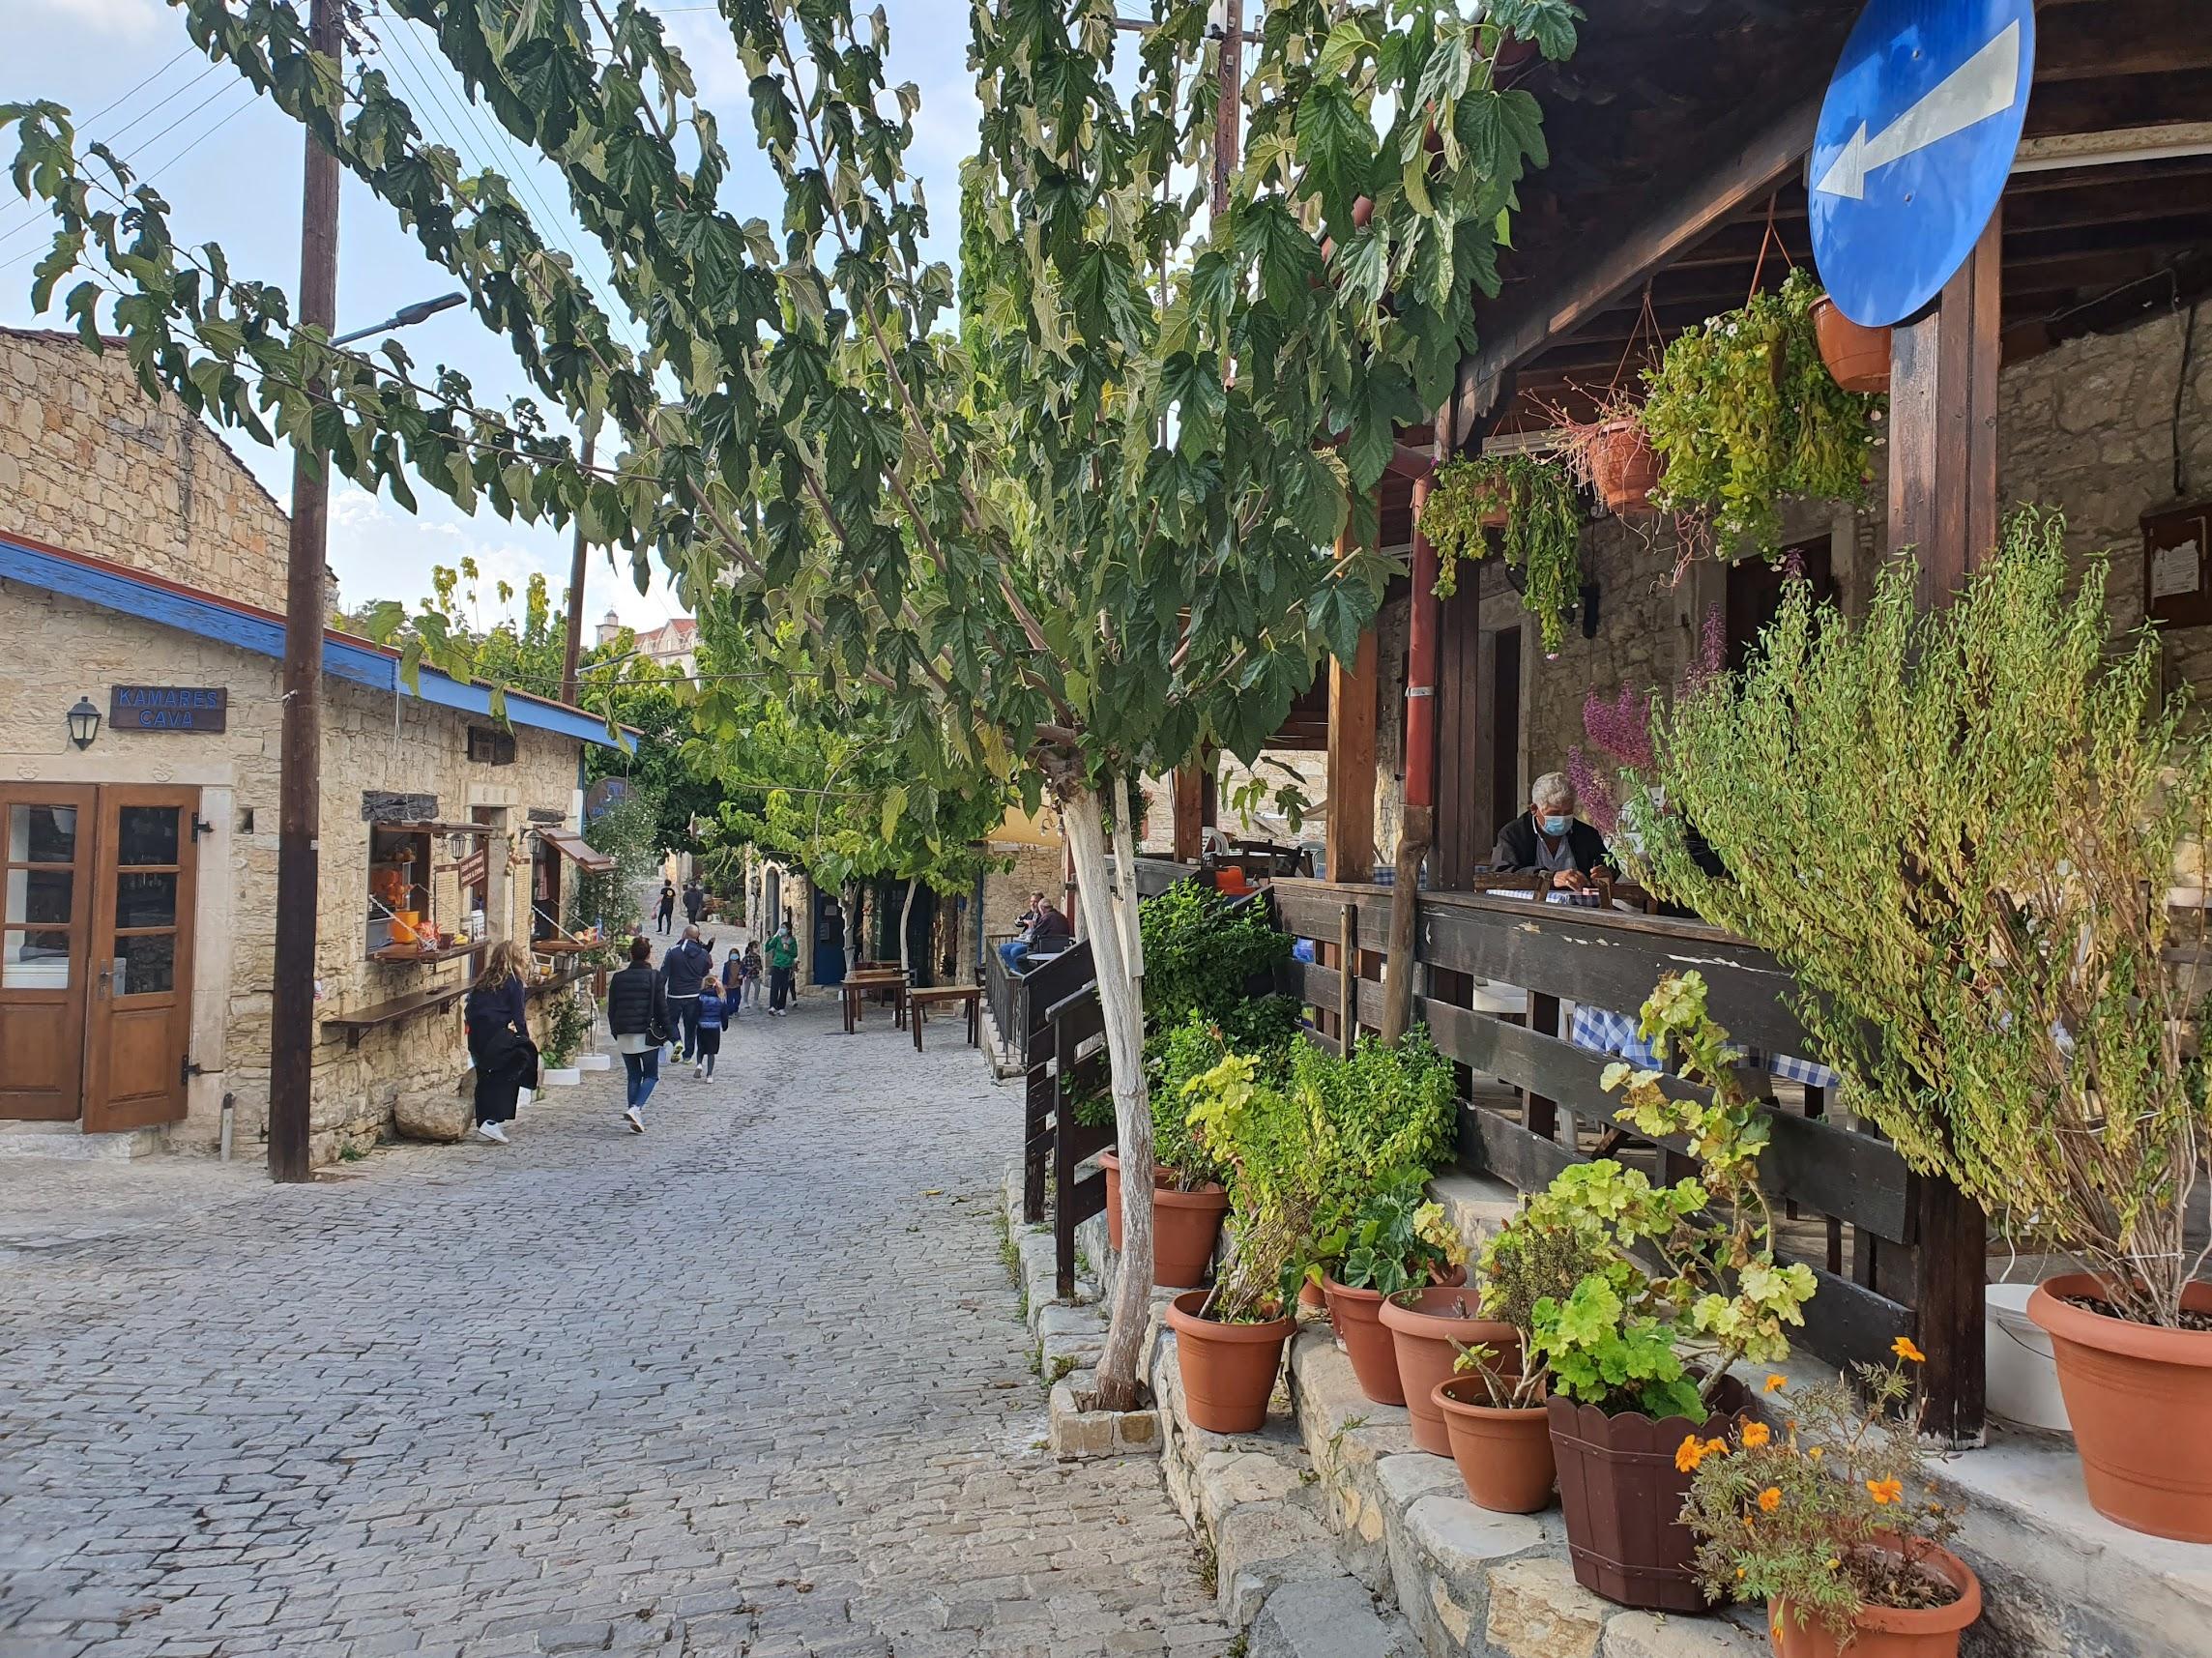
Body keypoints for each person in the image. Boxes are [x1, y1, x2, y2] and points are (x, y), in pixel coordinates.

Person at [463, 940, 538, 1145]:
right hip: (495, 1036)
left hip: (476, 1037)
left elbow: (469, 1009)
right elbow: (518, 1016)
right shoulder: (514, 982)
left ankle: (484, 1125)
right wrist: (525, 1040)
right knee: (515, 1065)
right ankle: (492, 1119)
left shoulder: (482, 981)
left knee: (485, 1076)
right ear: (516, 958)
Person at [1490, 771, 1615, 892]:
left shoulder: (1587, 835)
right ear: (1534, 809)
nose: (1562, 819)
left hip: (1579, 904)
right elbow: (1501, 873)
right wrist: (1550, 877)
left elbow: (1608, 865)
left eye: (1568, 812)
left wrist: (1606, 874)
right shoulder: (1513, 835)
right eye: (1554, 813)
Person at [605, 935, 669, 1133]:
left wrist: (615, 1030)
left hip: (624, 1032)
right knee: (651, 1075)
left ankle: (635, 1117)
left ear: (631, 954)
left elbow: (612, 1008)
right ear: (649, 955)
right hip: (646, 1033)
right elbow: (662, 1008)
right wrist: (670, 1034)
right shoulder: (655, 977)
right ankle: (635, 1108)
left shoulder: (618, 978)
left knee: (633, 1076)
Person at [661, 924, 715, 1062]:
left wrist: (658, 994)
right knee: (691, 1026)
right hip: (694, 995)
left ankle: (676, 1041)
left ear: (684, 934)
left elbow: (663, 975)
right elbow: (705, 973)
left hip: (675, 994)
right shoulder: (703, 954)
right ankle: (688, 1056)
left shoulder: (673, 951)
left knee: (670, 1021)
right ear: (697, 937)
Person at [692, 980, 727, 1080]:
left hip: (702, 1026)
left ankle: (699, 1064)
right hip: (714, 1028)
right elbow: (724, 1014)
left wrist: (694, 1023)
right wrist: (724, 1026)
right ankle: (709, 1075)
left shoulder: (700, 998)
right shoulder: (721, 999)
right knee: (711, 1052)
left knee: (701, 1048)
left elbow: (696, 1012)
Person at [766, 916, 800, 1014]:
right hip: (777, 965)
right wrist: (768, 940)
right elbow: (767, 948)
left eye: (783, 928)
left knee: (784, 988)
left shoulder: (792, 941)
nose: (781, 929)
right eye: (781, 927)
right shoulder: (777, 939)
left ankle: (781, 1007)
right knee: (774, 987)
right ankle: (772, 1006)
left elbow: (795, 954)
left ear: (788, 930)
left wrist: (788, 949)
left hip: (787, 967)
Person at [740, 940, 765, 1009]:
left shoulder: (758, 957)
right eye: (755, 947)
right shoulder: (746, 958)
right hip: (748, 976)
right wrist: (747, 969)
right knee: (747, 989)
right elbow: (742, 967)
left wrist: (758, 968)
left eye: (757, 947)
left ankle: (756, 1000)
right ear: (750, 948)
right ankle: (745, 1001)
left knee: (757, 987)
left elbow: (760, 967)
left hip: (755, 975)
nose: (757, 948)